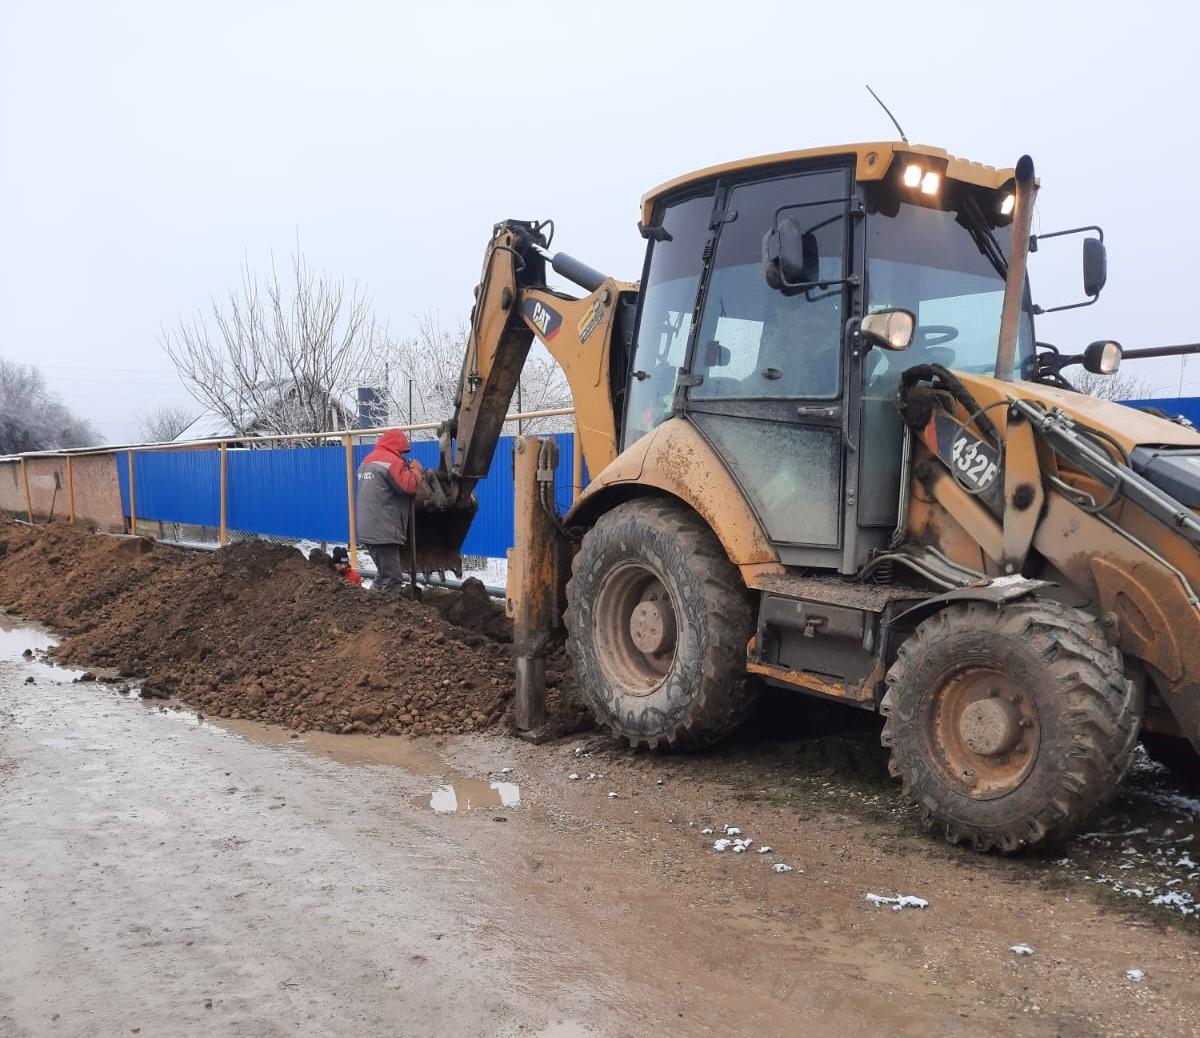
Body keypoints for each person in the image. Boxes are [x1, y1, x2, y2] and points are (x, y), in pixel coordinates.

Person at [355, 429, 422, 594]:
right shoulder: (390, 461)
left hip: (371, 529)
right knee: (392, 578)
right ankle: (384, 616)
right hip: (383, 531)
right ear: (397, 446)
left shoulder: (368, 460)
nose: (403, 455)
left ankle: (370, 604)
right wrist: (415, 469)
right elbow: (410, 485)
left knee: (384, 574)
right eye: (402, 451)